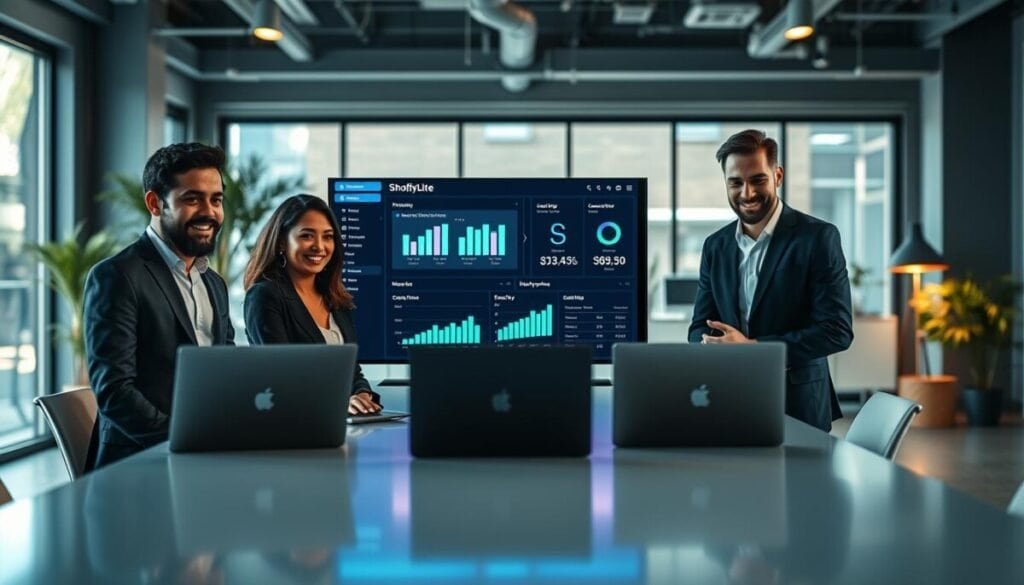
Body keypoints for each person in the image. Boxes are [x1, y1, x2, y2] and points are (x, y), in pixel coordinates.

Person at [687, 129, 853, 431]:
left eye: (757, 180)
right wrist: (710, 346)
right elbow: (700, 325)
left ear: (777, 176)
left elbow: (836, 331)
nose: (747, 193)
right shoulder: (715, 246)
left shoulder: (818, 238)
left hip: (798, 404)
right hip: (729, 398)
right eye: (735, 182)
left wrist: (753, 348)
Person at [84, 143, 235, 468]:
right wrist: (186, 440)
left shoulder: (214, 283)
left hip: (209, 454)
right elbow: (115, 392)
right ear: (155, 203)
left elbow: (228, 369)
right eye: (192, 199)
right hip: (139, 464)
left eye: (216, 200)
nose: (209, 212)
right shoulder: (117, 276)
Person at [243, 194, 381, 415]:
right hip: (295, 422)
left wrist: (362, 396)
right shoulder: (265, 296)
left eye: (328, 237)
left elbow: (353, 372)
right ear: (281, 242)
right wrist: (340, 402)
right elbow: (282, 377)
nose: (319, 246)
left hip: (342, 421)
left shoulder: (336, 299)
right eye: (307, 236)